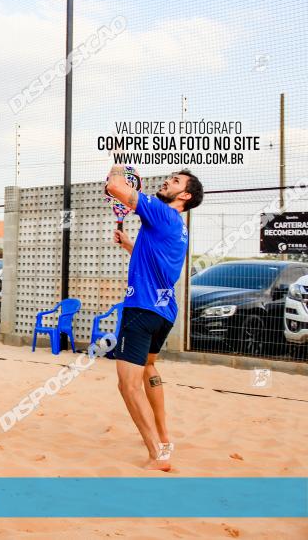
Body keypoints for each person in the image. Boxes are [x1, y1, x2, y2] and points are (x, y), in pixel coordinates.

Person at [105, 167, 203, 471]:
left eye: (175, 181)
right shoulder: (179, 227)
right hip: (163, 312)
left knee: (127, 385)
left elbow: (116, 188)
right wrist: (128, 245)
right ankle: (163, 437)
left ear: (185, 196)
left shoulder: (161, 211)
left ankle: (157, 454)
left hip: (142, 309)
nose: (167, 181)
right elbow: (154, 260)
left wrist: (118, 166)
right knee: (148, 366)